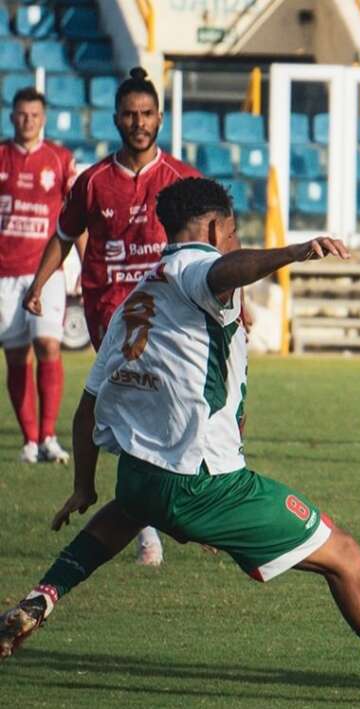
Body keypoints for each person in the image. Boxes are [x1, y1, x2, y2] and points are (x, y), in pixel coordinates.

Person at [0, 177, 360, 704]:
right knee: (344, 554)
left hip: (139, 474)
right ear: (218, 228)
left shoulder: (139, 295)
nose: (236, 241)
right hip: (205, 485)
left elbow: (86, 408)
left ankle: (44, 594)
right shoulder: (202, 269)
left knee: (128, 506)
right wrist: (295, 251)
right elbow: (224, 269)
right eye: (235, 232)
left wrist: (83, 486)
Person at [26, 67, 202, 566]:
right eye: (130, 114)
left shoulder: (183, 180)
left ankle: (181, 506)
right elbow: (64, 234)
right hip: (111, 316)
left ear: (160, 118)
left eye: (147, 114)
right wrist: (41, 284)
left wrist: (240, 301)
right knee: (128, 415)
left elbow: (212, 246)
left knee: (174, 408)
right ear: (116, 119)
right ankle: (147, 525)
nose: (138, 122)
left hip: (169, 314)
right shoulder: (93, 182)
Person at [0, 88, 76, 464]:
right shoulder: (0, 156)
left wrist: (85, 263)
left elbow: (77, 218)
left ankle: (49, 436)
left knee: (47, 345)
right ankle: (29, 441)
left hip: (46, 271)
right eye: (21, 114)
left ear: (43, 118)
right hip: (4, 273)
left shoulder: (60, 160)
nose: (27, 120)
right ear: (12, 117)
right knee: (15, 356)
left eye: (34, 114)